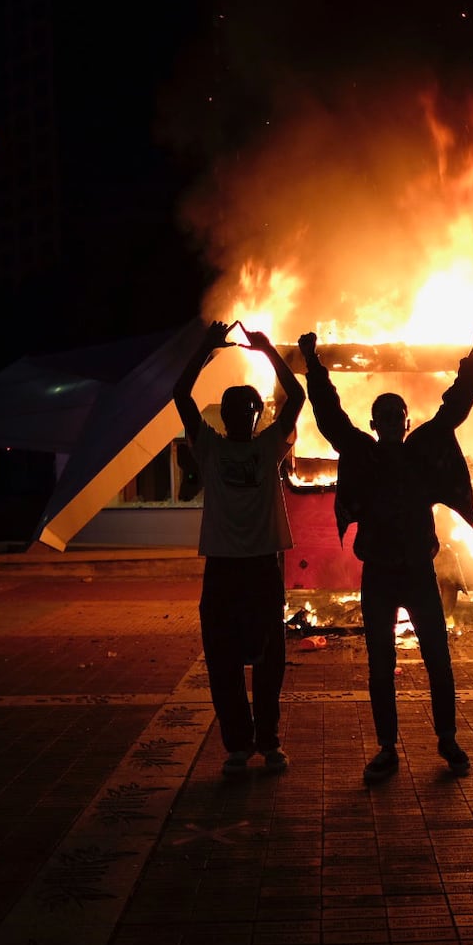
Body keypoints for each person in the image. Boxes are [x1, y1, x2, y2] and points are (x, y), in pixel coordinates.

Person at [298, 330, 473, 784]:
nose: (387, 421)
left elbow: (454, 409)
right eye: (382, 415)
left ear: (403, 423)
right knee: (381, 664)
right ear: (375, 422)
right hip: (381, 575)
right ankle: (388, 748)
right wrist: (312, 362)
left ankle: (446, 738)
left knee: (437, 659)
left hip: (417, 573)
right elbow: (328, 414)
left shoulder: (420, 450)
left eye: (394, 415)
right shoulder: (361, 454)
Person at [173, 319, 305, 777]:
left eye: (248, 408)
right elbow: (181, 396)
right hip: (229, 566)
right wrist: (209, 350)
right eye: (235, 408)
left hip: (261, 565)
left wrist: (268, 351)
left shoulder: (269, 446)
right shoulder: (210, 448)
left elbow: (297, 399)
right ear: (225, 415)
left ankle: (266, 741)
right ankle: (238, 745)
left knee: (270, 658)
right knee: (223, 657)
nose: (241, 415)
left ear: (255, 414)